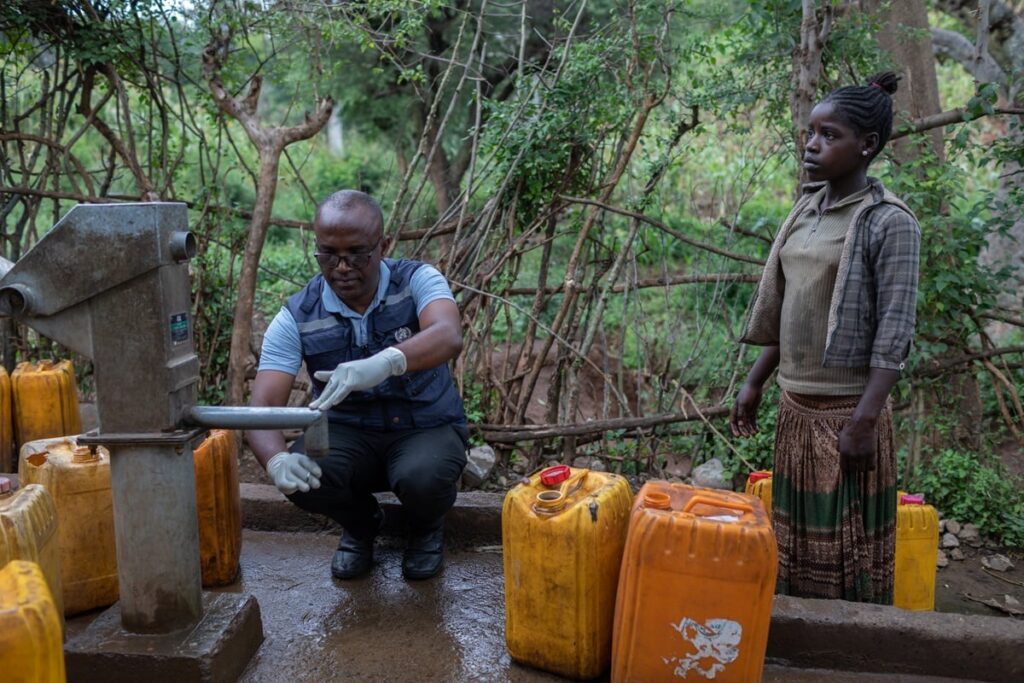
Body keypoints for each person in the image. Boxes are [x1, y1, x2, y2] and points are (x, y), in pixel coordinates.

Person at [730, 72, 921, 604]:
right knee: (795, 544)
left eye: (829, 134)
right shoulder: (807, 209)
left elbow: (895, 331)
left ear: (868, 145)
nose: (812, 145)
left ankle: (850, 646)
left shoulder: (889, 222)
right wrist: (755, 383)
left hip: (845, 416)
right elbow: (793, 305)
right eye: (810, 133)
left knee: (845, 550)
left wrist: (863, 423)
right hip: (796, 411)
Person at [246, 189, 468, 581]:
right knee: (305, 476)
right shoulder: (296, 315)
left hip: (424, 425)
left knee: (423, 476)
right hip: (346, 432)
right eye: (328, 254)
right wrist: (275, 460)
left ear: (383, 245)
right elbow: (262, 405)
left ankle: (426, 529)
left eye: (357, 253)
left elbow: (448, 334)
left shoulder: (417, 280)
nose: (343, 267)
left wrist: (387, 361)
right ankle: (361, 525)